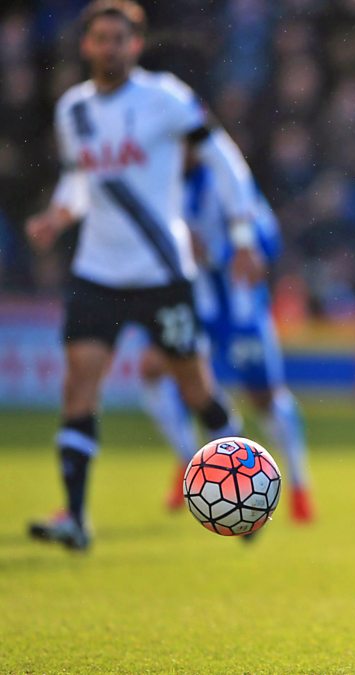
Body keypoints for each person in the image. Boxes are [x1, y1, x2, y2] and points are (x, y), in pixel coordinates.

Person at [24, 0, 263, 551]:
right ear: (86, 45)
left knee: (195, 386)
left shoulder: (165, 98)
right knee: (79, 385)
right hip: (97, 271)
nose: (109, 47)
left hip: (161, 273)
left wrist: (242, 235)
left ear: (135, 45)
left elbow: (224, 159)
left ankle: (247, 500)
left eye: (120, 38)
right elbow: (80, 181)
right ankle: (75, 518)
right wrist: (58, 215)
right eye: (100, 38)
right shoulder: (73, 110)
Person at [140, 162, 314, 522]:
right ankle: (191, 462)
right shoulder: (163, 175)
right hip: (193, 305)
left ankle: (299, 485)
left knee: (265, 397)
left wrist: (216, 251)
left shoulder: (227, 180)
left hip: (239, 310)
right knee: (153, 369)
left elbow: (266, 240)